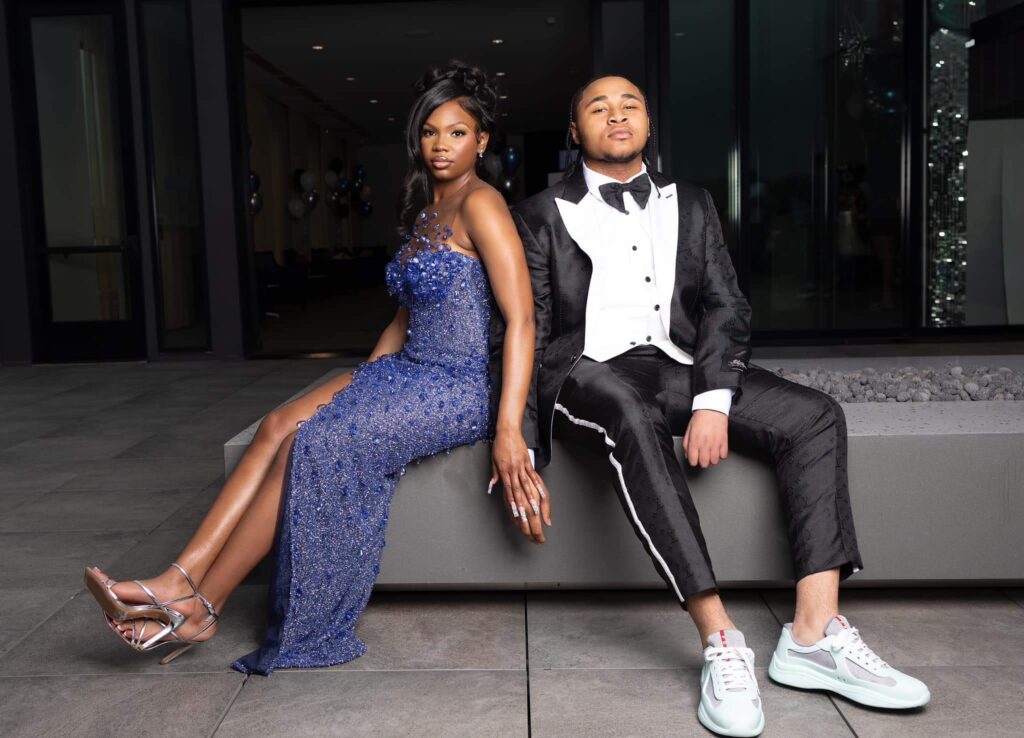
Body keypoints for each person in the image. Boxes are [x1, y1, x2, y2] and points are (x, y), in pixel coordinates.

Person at [496, 75, 930, 737]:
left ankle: (814, 633)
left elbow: (726, 306)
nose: (616, 115)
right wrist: (518, 435)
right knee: (630, 413)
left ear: (648, 123)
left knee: (814, 414)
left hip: (675, 364)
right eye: (598, 106)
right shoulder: (538, 214)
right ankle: (721, 640)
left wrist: (713, 399)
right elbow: (529, 328)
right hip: (586, 369)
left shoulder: (692, 203)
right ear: (575, 131)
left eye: (630, 104)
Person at [83, 61, 550, 675]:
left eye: (457, 133)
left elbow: (521, 321)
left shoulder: (483, 204)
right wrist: (370, 381)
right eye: (431, 132)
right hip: (407, 367)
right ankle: (179, 575)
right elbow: (404, 318)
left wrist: (510, 428)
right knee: (277, 423)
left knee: (317, 441)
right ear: (418, 139)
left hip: (457, 386)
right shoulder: (422, 211)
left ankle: (201, 608)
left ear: (481, 141)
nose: (442, 145)